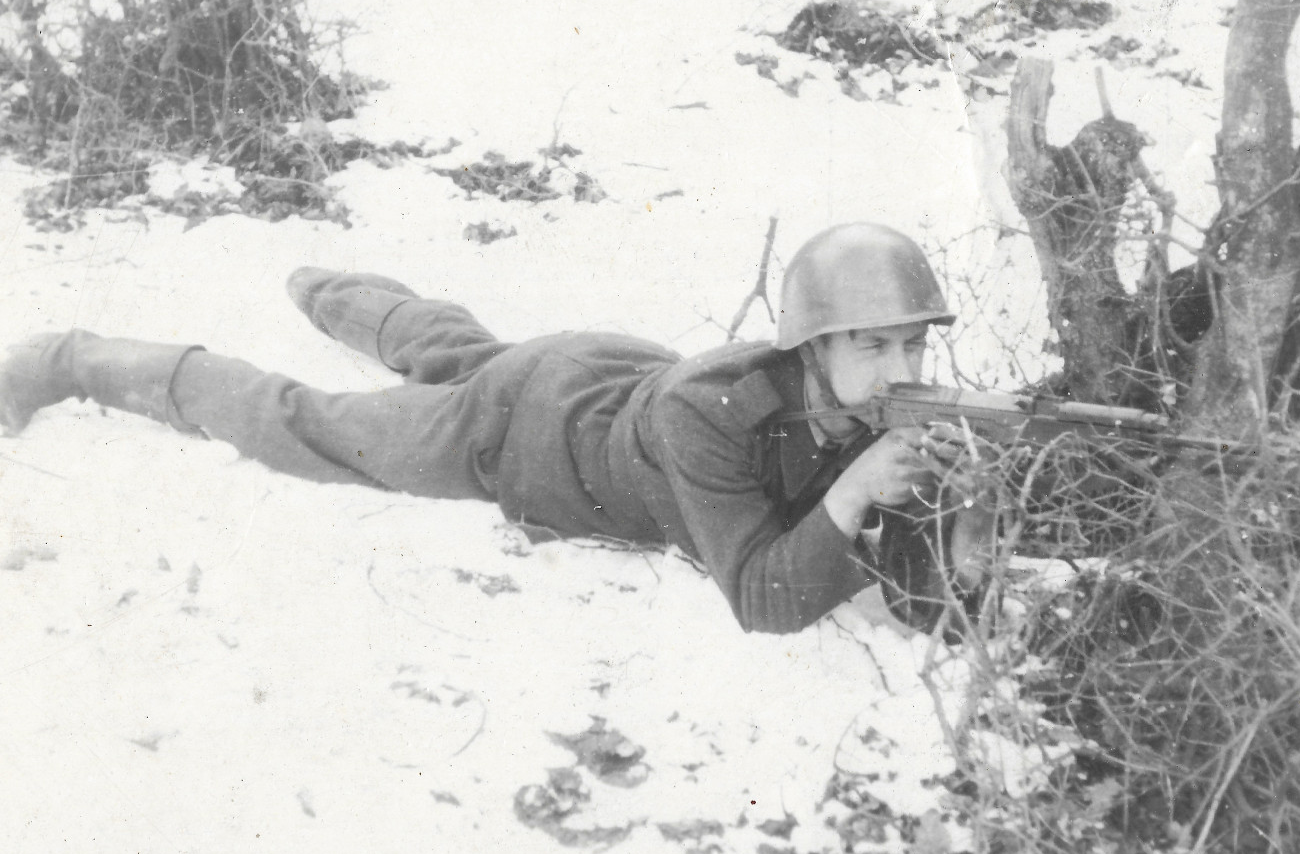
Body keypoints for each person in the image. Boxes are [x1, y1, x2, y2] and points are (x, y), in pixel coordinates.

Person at [0, 222, 993, 634]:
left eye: (914, 347)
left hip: (605, 377)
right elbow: (764, 599)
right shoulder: (716, 410)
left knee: (456, 349)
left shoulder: (856, 400)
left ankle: (331, 288)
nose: (902, 375)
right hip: (528, 431)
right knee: (314, 424)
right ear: (813, 341)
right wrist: (862, 493)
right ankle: (71, 357)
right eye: (875, 348)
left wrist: (957, 517)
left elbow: (915, 593)